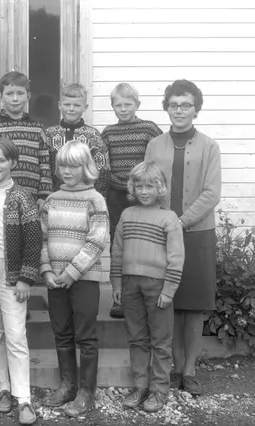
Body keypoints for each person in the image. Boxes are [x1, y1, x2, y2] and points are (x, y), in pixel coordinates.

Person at [144, 79, 221, 396]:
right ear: (167, 107)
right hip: (161, 233)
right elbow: (146, 185)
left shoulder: (209, 146)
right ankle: (172, 368)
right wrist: (161, 221)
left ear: (196, 109)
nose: (179, 110)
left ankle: (189, 371)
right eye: (174, 104)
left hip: (197, 235)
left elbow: (211, 193)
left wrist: (180, 221)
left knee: (193, 305)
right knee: (168, 302)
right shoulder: (154, 146)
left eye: (186, 104)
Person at [40, 140, 109, 417]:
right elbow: (41, 238)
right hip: (55, 280)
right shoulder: (52, 200)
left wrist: (72, 272)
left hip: (84, 279)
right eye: (62, 166)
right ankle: (67, 385)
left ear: (86, 168)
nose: (67, 171)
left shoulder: (95, 200)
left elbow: (97, 241)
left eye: (73, 166)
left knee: (86, 336)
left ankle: (86, 391)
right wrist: (46, 270)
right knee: (62, 332)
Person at [0, 137, 42, 425]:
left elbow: (33, 239)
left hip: (12, 273)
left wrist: (27, 277)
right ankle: (3, 387)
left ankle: (24, 398)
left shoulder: (22, 197)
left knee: (15, 333)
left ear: (12, 162)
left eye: (1, 160)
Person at [110, 161, 185, 413]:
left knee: (161, 341)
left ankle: (159, 390)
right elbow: (117, 250)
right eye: (139, 186)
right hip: (130, 285)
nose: (144, 191)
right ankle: (140, 385)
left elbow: (176, 257)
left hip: (158, 287)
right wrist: (116, 282)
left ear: (160, 188)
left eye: (150, 186)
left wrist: (169, 290)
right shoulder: (127, 215)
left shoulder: (169, 218)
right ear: (132, 188)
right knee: (137, 338)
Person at [101, 83, 163, 319]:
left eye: (128, 104)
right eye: (118, 104)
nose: (123, 109)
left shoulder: (149, 130)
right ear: (112, 106)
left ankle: (147, 296)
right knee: (119, 246)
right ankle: (121, 298)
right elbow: (103, 165)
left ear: (137, 105)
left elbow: (157, 161)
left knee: (144, 243)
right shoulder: (107, 133)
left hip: (143, 195)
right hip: (116, 195)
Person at [0, 71, 53, 209]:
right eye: (9, 94)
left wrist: (43, 196)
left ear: (28, 96)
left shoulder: (37, 129)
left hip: (31, 198)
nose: (15, 98)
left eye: (20, 93)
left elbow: (45, 164)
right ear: (1, 97)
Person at [45, 83, 110, 197]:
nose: (71, 109)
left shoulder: (93, 135)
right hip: (55, 196)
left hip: (85, 196)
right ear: (60, 106)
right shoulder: (49, 134)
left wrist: (96, 197)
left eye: (76, 105)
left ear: (85, 107)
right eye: (67, 104)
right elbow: (44, 167)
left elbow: (103, 171)